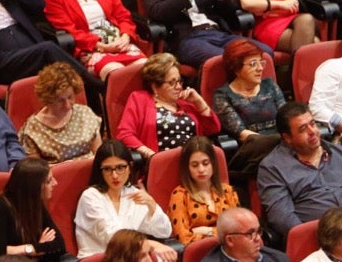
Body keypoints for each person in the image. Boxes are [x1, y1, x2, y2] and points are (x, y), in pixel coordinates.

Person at [257, 102, 342, 247]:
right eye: (302, 129)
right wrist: (317, 243)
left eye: (312, 124)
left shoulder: (339, 153)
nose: (312, 131)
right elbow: (282, 217)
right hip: (316, 244)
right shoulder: (272, 167)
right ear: (287, 137)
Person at [73, 141, 174, 259]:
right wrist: (149, 244)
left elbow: (164, 231)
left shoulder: (133, 193)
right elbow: (112, 237)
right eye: (107, 169)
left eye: (120, 167)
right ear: (100, 171)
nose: (115, 175)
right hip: (100, 261)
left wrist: (152, 205)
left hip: (131, 258)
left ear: (130, 167)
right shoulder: (90, 197)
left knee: (164, 260)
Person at [115, 53, 221, 156]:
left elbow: (213, 129)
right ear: (155, 86)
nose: (179, 87)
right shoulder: (140, 99)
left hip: (192, 163)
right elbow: (125, 134)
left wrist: (199, 102)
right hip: (161, 164)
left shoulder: (185, 102)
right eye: (172, 83)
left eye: (180, 81)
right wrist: (150, 155)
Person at [0, 158, 67, 262]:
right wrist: (34, 247)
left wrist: (23, 249)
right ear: (33, 187)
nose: (55, 183)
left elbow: (59, 245)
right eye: (48, 181)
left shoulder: (35, 205)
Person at [190, 207, 303, 262]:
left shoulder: (278, 259)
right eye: (250, 234)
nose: (258, 238)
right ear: (230, 240)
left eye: (258, 231)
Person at [211, 39, 284, 174]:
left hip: (281, 145)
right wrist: (282, 142)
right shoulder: (222, 95)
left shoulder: (269, 85)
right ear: (236, 69)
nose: (260, 68)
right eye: (253, 64)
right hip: (251, 151)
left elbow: (285, 116)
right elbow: (243, 135)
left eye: (261, 62)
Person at [20, 62, 103, 164]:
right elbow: (37, 173)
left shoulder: (85, 114)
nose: (67, 105)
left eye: (70, 97)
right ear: (48, 99)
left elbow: (100, 158)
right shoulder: (34, 128)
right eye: (60, 100)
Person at [167, 135, 239, 243]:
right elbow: (183, 238)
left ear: (213, 164)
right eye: (195, 165)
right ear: (187, 168)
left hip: (231, 249)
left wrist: (208, 231)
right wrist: (221, 234)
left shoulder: (228, 191)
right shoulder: (180, 195)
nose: (201, 170)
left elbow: (239, 230)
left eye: (206, 163)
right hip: (199, 255)